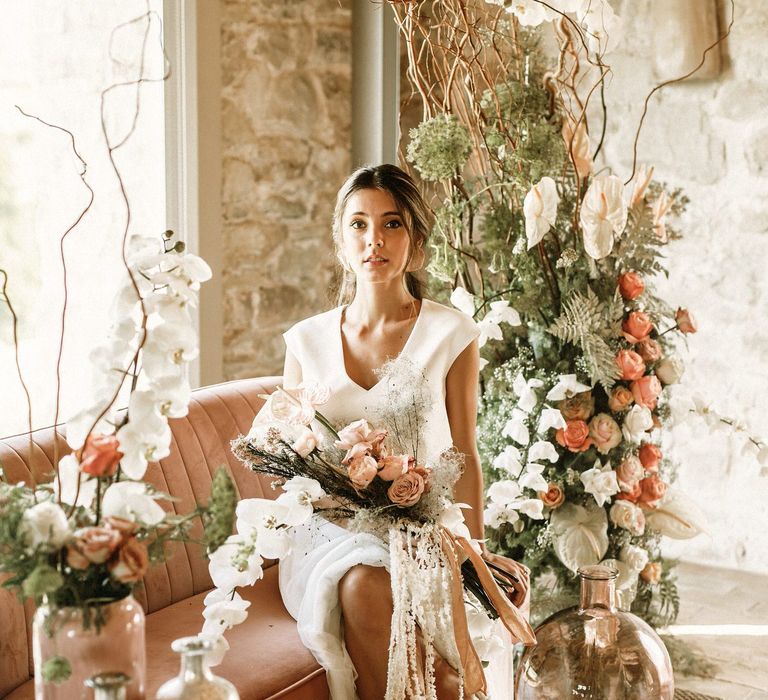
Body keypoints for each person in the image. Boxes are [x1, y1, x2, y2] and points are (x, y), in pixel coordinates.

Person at [276, 164, 522, 699]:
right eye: (359, 225)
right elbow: (293, 453)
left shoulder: (450, 333)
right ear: (341, 241)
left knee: (425, 631)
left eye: (391, 225)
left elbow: (465, 455)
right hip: (332, 531)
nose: (374, 241)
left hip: (425, 524)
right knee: (366, 581)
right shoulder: (305, 341)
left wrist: (474, 549)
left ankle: (448, 683)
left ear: (414, 240)